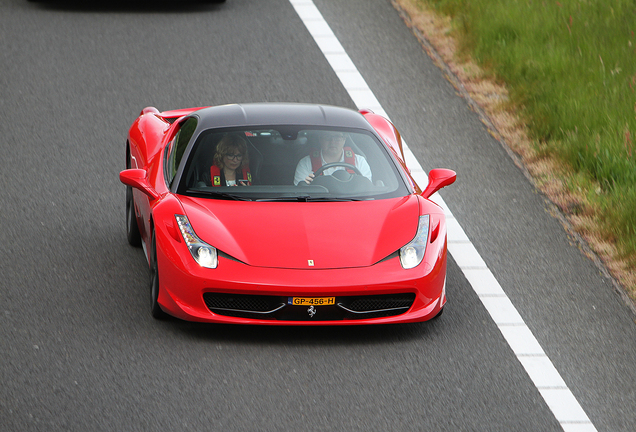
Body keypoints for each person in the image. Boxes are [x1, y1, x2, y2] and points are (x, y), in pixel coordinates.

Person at [294, 131, 372, 185]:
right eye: (327, 137)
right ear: (320, 139)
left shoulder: (360, 162)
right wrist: (306, 186)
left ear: (344, 139)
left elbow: (367, 191)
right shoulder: (306, 163)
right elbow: (299, 195)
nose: (332, 141)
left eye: (337, 137)